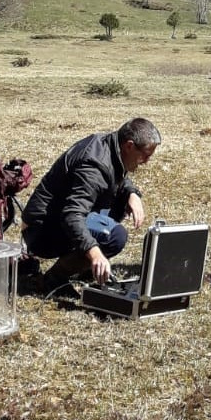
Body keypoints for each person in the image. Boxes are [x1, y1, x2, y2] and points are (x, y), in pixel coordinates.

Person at [21, 117, 161, 292]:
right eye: (145, 155)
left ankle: (83, 267)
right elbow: (72, 215)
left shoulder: (110, 145)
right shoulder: (93, 166)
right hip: (42, 231)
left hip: (51, 219)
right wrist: (94, 253)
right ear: (129, 145)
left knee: (120, 201)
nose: (146, 162)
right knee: (115, 237)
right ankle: (53, 280)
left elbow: (114, 173)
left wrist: (132, 193)